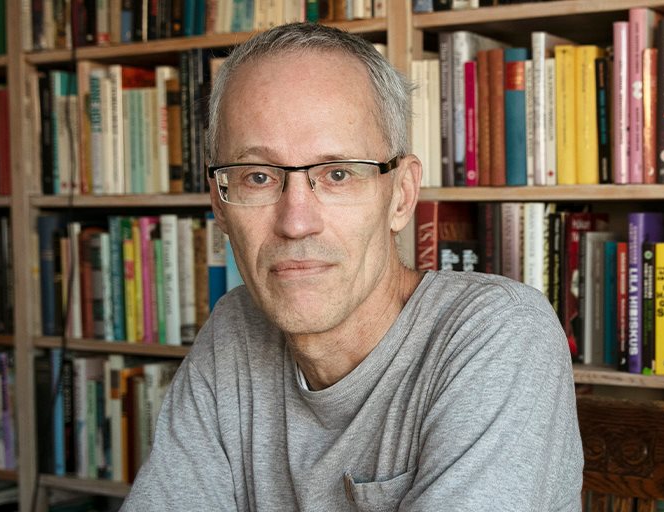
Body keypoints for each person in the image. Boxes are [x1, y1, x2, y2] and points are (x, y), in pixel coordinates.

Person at [122, 22, 583, 511]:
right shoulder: (235, 328)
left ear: (400, 195)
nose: (296, 223)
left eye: (338, 174)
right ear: (219, 203)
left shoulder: (499, 330)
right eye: (257, 177)